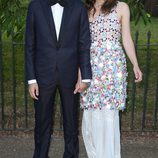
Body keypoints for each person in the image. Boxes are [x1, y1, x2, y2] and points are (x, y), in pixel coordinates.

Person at [25, 0, 92, 157]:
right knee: (42, 122)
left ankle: (70, 154)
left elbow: (84, 44)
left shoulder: (79, 7)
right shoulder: (35, 6)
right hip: (42, 76)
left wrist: (85, 77)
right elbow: (29, 45)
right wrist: (31, 79)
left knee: (71, 121)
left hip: (70, 75)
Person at [79, 0, 143, 158]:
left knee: (108, 117)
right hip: (90, 68)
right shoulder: (85, 9)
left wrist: (135, 64)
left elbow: (126, 38)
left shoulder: (121, 7)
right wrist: (80, 73)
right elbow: (80, 44)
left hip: (113, 69)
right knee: (90, 116)